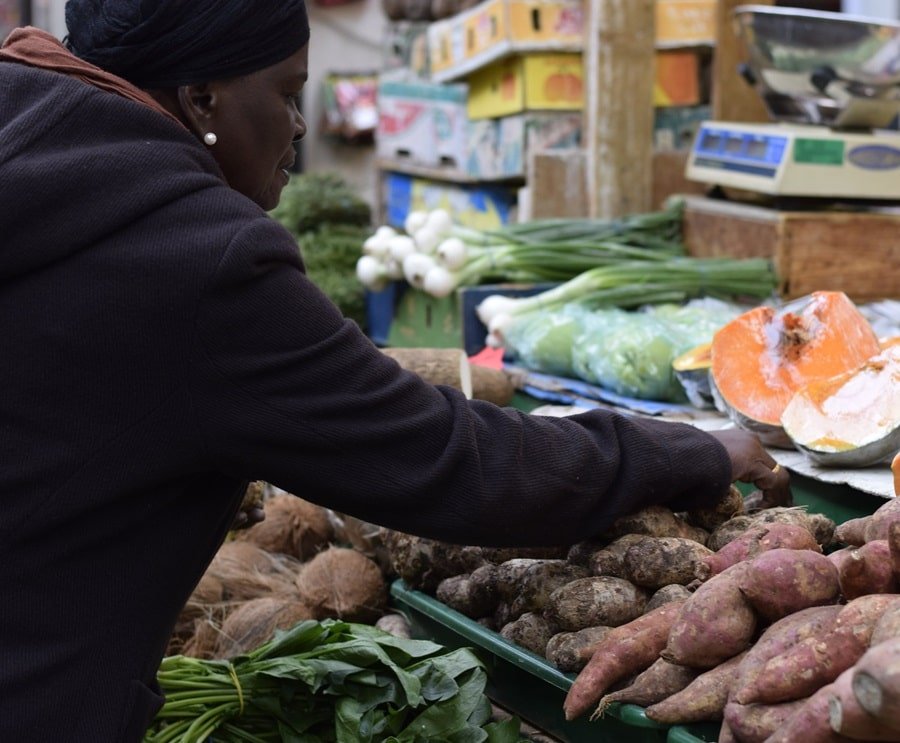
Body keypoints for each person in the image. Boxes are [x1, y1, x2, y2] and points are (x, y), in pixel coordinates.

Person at [0, 1, 791, 740]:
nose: (301, 125)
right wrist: (690, 450)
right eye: (287, 92)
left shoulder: (28, 135)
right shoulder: (197, 254)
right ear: (202, 98)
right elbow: (447, 460)